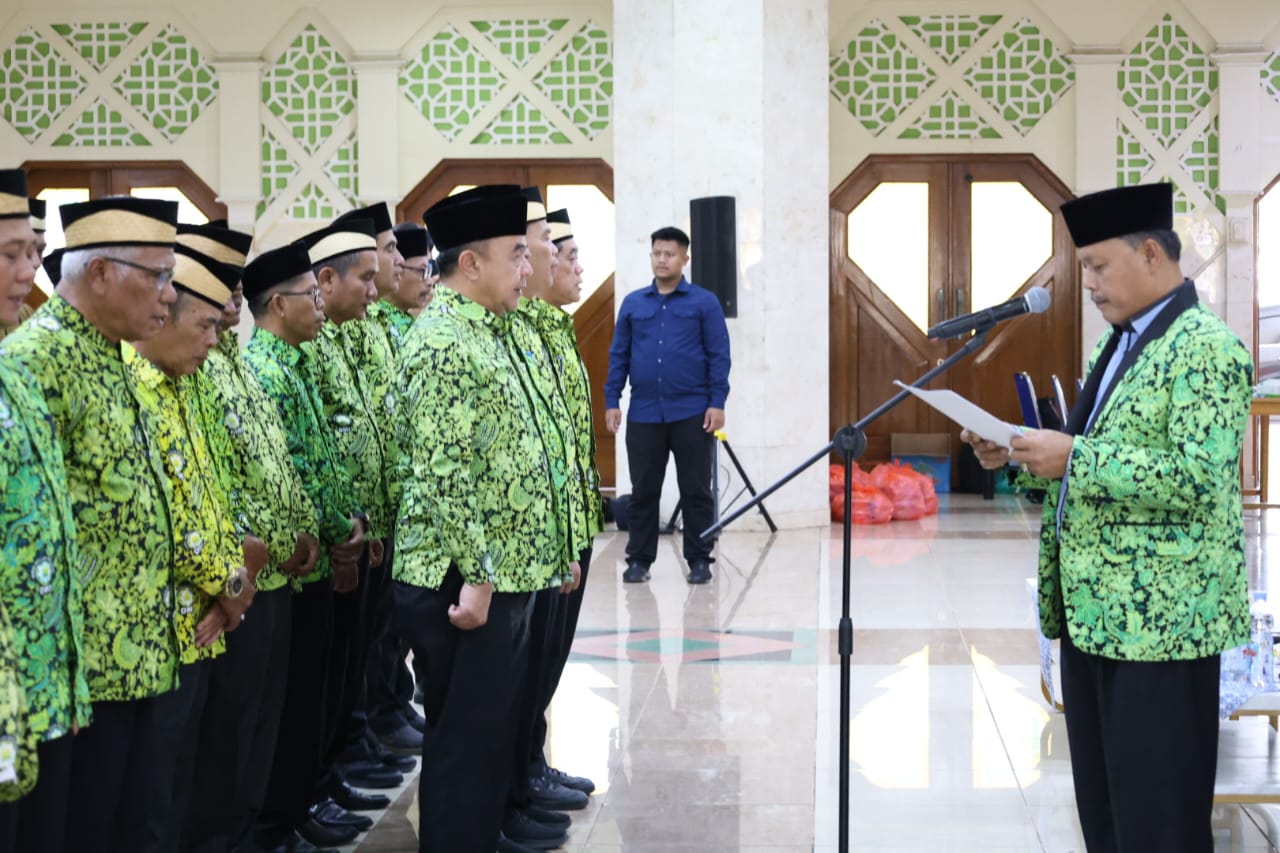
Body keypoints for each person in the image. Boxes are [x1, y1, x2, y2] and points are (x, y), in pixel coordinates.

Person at [963, 182, 1251, 853]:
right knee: (1108, 816)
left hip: (1163, 627)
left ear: (1150, 254)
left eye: (1097, 266)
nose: (1087, 282)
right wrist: (1014, 457)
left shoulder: (1207, 348)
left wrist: (1075, 454)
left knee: (1159, 824)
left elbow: (1198, 477)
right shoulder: (1114, 347)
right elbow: (1084, 473)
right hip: (1096, 620)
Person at [391, 185, 568, 853]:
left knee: (488, 730)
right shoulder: (442, 340)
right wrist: (478, 572)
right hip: (457, 577)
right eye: (517, 255)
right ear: (470, 264)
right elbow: (444, 471)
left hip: (499, 569)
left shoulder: (489, 330)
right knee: (465, 739)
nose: (529, 268)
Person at [3, 196, 181, 853]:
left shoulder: (112, 355)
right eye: (157, 274)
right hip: (84, 666)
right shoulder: (36, 360)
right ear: (102, 273)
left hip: (138, 649)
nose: (169, 294)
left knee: (136, 824)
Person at [183, 225, 325, 853]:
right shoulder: (192, 372)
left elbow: (273, 463)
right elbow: (214, 477)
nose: (232, 301)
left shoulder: (232, 363)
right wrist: (240, 566)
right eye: (221, 289)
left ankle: (253, 831)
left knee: (263, 720)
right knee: (228, 734)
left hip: (270, 575)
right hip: (234, 580)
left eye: (235, 289)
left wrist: (297, 531)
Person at [125, 243, 264, 853]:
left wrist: (233, 587)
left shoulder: (183, 387)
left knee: (191, 781)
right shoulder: (139, 393)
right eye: (205, 325)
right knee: (155, 802)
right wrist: (234, 589)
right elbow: (169, 520)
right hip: (161, 633)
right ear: (165, 319)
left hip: (204, 621)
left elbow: (209, 497)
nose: (214, 340)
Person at [245, 240, 367, 853]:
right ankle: (279, 818)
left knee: (316, 690)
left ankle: (298, 806)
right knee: (292, 703)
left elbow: (321, 459)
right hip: (292, 567)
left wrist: (344, 525)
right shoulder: (265, 370)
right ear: (275, 304)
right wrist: (329, 533)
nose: (317, 305)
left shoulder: (295, 361)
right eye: (308, 296)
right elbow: (286, 471)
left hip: (320, 552)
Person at [0, 169, 87, 853]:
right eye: (10, 255)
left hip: (42, 673)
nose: (29, 270)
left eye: (33, 251)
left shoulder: (13, 369)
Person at [525, 207, 603, 800]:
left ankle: (532, 764)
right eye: (561, 253)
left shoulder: (552, 328)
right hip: (534, 534)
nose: (571, 266)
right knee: (528, 667)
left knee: (547, 660)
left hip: (566, 522)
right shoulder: (522, 331)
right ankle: (521, 775)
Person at [604, 226, 731, 584]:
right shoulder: (633, 303)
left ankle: (700, 559)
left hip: (692, 412)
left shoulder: (704, 303)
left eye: (670, 254)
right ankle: (639, 560)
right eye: (657, 253)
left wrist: (716, 402)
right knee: (644, 491)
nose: (662, 260)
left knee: (696, 490)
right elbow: (619, 355)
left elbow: (718, 356)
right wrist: (612, 399)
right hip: (644, 413)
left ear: (684, 259)